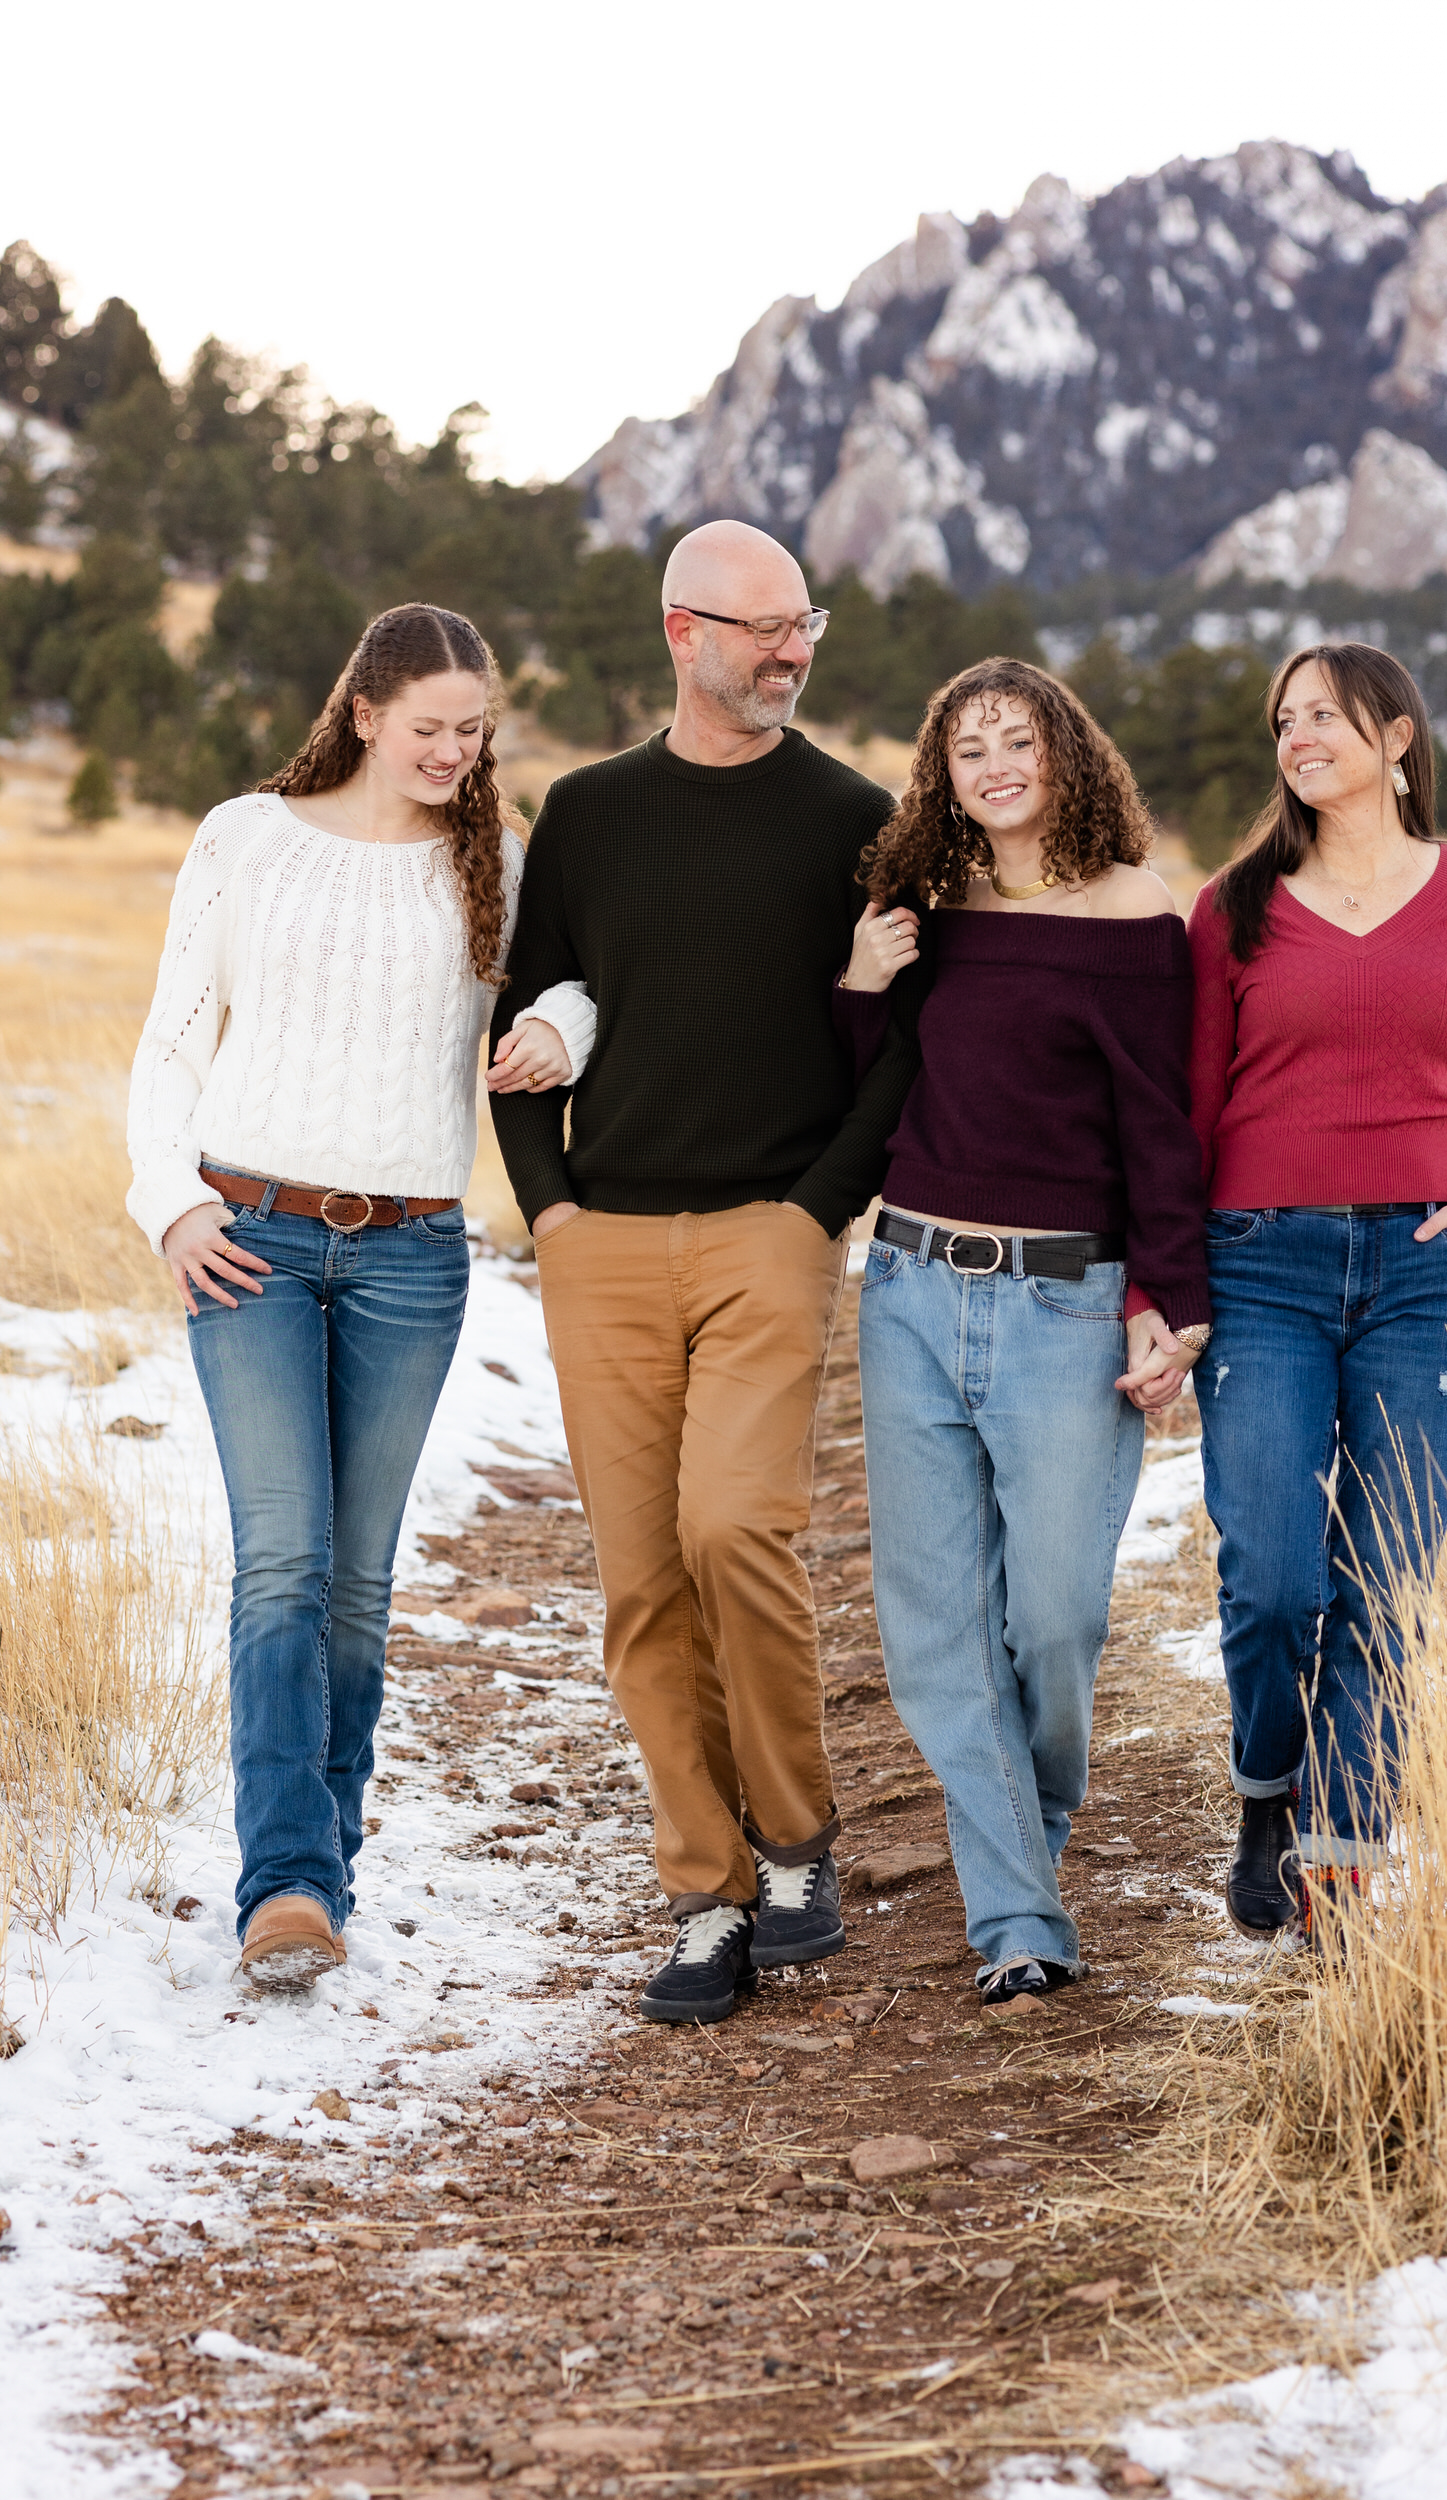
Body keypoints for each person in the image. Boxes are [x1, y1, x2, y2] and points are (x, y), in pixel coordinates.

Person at [489, 520, 925, 2026]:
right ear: (683, 631)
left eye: (803, 624)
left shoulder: (855, 818)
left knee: (738, 1527)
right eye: (759, 629)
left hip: (767, 1233)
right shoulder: (591, 813)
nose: (789, 650)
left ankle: (796, 1839)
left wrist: (817, 1211)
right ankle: (705, 1892)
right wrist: (547, 1210)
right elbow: (525, 1023)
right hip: (598, 1243)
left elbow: (895, 1044)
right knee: (640, 1583)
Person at [127, 604, 589, 1992]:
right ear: (366, 713)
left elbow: (579, 980)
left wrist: (563, 1028)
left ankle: (325, 1855)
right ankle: (282, 1884)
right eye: (429, 726)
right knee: (282, 1560)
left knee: (357, 1583)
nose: (453, 751)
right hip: (248, 1237)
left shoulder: (491, 863)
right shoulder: (244, 839)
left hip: (409, 1256)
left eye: (474, 730)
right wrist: (172, 1203)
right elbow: (167, 1041)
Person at [834, 658, 1212, 2008]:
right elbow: (861, 1083)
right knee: (936, 1626)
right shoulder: (922, 911)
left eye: (1017, 741)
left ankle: (1024, 1846)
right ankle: (1016, 1914)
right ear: (942, 775)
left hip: (1065, 1300)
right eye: (966, 748)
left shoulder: (1132, 918)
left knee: (1052, 1619)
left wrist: (1171, 1298)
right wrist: (863, 979)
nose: (993, 766)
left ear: (1066, 756)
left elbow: (1160, 1125)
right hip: (913, 1289)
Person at [1189, 641, 1447, 1944]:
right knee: (1273, 1578)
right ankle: (1267, 1788)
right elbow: (1190, 1111)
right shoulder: (1231, 907)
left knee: (1384, 1579)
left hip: (1423, 1274)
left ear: (1395, 736)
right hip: (1261, 1264)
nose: (1296, 738)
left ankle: (1338, 1865)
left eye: (1323, 716)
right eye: (1282, 721)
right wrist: (1171, 1284)